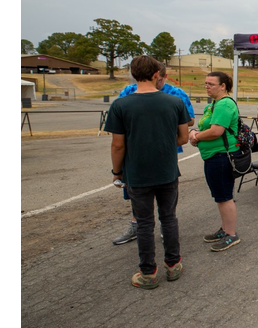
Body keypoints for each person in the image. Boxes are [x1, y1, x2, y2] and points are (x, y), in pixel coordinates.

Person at [103, 56, 190, 289]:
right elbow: (183, 138)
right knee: (169, 218)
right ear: (156, 75)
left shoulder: (120, 105)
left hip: (138, 173)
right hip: (167, 170)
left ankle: (148, 272)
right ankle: (173, 265)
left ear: (133, 75)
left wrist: (117, 172)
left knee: (144, 223)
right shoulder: (174, 102)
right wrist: (161, 144)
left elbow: (117, 145)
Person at [112, 62, 195, 246]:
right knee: (137, 198)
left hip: (164, 152)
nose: (158, 84)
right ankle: (136, 226)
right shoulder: (128, 92)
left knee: (166, 199)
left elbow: (189, 120)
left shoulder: (176, 95)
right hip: (135, 154)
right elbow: (118, 123)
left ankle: (166, 232)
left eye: (161, 81)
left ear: (163, 77)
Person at [188, 72, 242, 252]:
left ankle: (231, 234)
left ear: (223, 86)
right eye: (205, 83)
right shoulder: (214, 105)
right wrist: (195, 132)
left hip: (221, 157)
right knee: (220, 196)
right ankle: (225, 229)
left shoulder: (225, 104)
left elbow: (216, 131)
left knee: (225, 197)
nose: (207, 86)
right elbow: (205, 127)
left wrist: (196, 137)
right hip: (213, 156)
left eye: (211, 83)